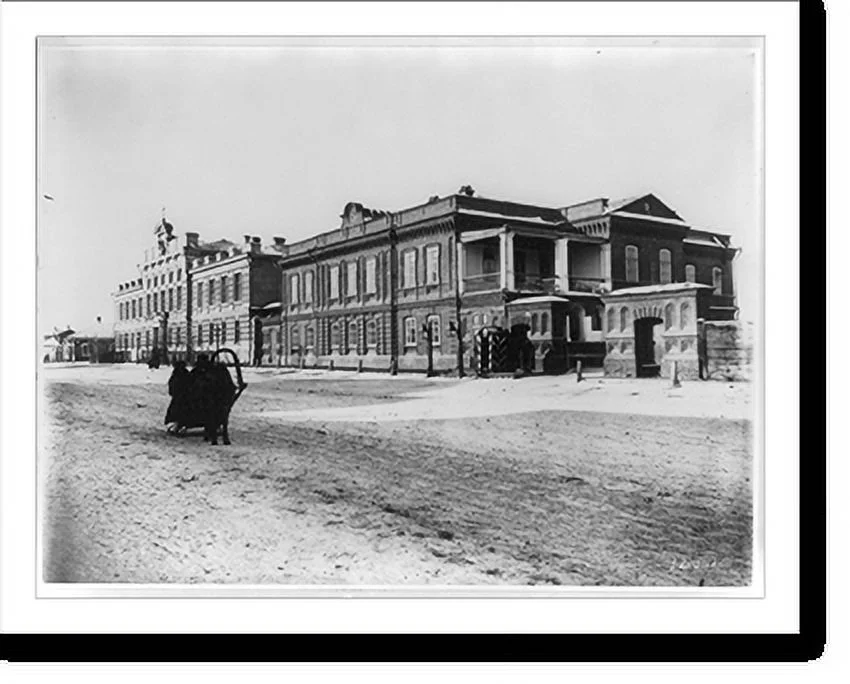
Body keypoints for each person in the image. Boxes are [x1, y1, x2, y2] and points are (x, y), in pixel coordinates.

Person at [164, 360, 190, 430]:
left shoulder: (176, 374)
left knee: (176, 411)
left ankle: (175, 424)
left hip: (179, 396)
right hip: (184, 396)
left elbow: (172, 384)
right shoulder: (186, 374)